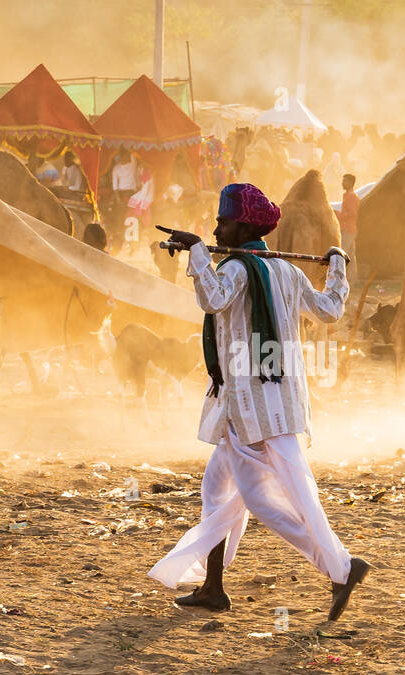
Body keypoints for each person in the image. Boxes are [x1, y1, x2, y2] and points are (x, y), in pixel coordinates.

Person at [151, 183, 370, 620]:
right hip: (277, 402)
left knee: (263, 500)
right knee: (217, 490)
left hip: (249, 409)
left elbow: (212, 299)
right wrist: (338, 266)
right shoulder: (287, 272)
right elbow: (330, 309)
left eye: (222, 221)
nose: (217, 227)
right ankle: (213, 587)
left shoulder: (236, 269)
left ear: (244, 225)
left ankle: (341, 568)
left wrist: (197, 252)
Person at [338, 174, 359, 259]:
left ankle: (340, 272)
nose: (342, 183)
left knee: (342, 254)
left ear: (350, 183)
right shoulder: (347, 195)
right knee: (350, 257)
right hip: (348, 229)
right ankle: (352, 273)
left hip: (348, 229)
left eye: (344, 181)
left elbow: (352, 213)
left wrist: (338, 215)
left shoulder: (352, 196)